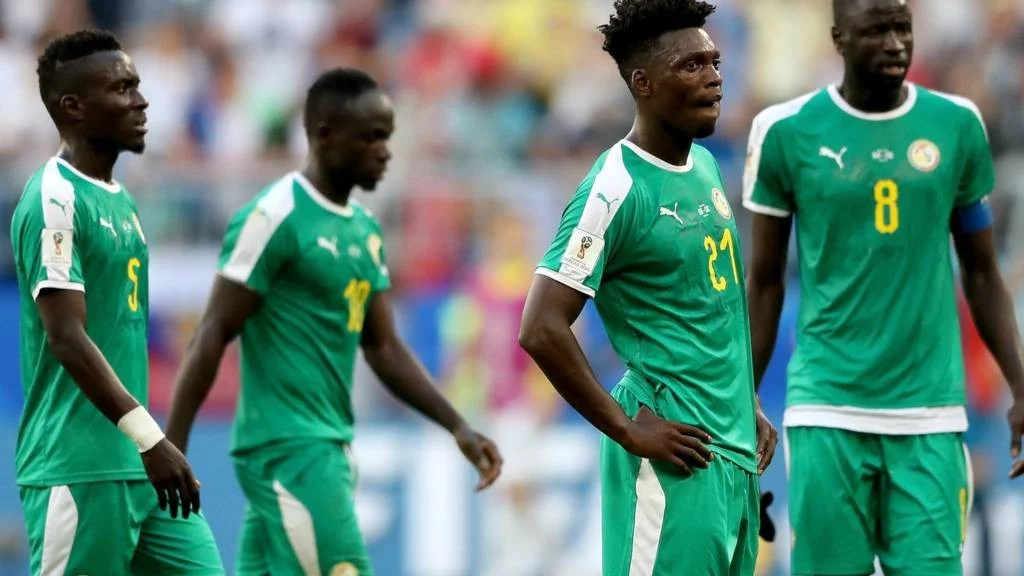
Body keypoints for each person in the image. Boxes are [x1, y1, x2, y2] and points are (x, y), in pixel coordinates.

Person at [165, 68, 503, 576]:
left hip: (327, 447)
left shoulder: (365, 230)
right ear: (325, 135)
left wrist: (456, 425)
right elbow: (212, 331)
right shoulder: (274, 216)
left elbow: (383, 347)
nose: (384, 152)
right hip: (288, 451)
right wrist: (173, 445)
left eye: (387, 137)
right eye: (370, 137)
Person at [743, 0, 1024, 574]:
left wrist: (1021, 383)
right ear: (838, 38)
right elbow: (765, 281)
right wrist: (741, 392)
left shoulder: (956, 124)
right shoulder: (785, 131)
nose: (895, 43)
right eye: (876, 31)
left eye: (902, 28)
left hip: (930, 413)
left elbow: (981, 271)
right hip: (827, 408)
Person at [518, 1, 777, 574]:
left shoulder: (705, 167)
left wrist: (748, 402)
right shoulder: (614, 188)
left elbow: (711, 307)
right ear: (643, 83)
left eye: (715, 62)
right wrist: (627, 428)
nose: (713, 77)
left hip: (733, 456)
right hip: (675, 459)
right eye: (691, 65)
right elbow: (540, 326)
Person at [9, 29, 223, 575]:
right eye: (122, 88)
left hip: (140, 465)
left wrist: (148, 444)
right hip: (79, 468)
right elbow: (66, 336)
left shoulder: (121, 200)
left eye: (137, 85)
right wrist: (150, 437)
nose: (141, 100)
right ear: (74, 107)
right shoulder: (54, 199)